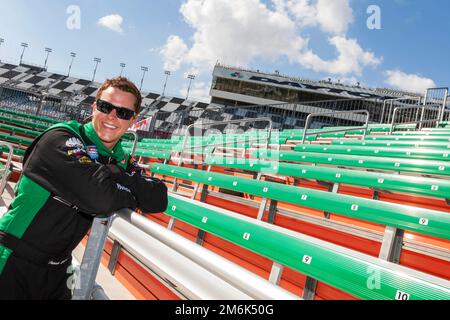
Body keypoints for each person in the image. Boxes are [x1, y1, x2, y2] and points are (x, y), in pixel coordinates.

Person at [0, 77, 168, 300]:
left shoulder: (120, 159)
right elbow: (99, 197)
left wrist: (111, 176)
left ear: (133, 121)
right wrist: (121, 181)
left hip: (59, 271)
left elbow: (158, 197)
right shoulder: (60, 137)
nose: (112, 116)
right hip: (12, 259)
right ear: (94, 106)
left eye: (123, 113)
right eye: (106, 107)